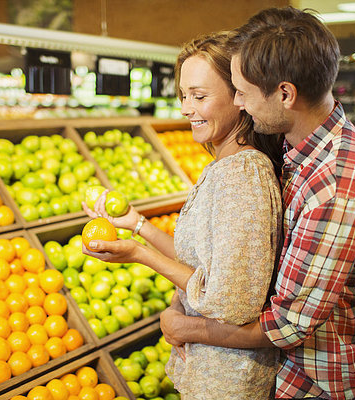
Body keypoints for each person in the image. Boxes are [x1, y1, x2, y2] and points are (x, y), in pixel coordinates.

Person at [159, 7, 355, 400]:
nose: (238, 102)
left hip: (318, 382)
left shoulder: (337, 189)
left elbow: (288, 324)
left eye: (243, 92)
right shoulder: (297, 144)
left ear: (285, 94)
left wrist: (187, 327)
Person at [82, 30, 284, 399]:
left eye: (199, 96)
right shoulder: (225, 165)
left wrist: (140, 255)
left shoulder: (241, 175)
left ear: (238, 96)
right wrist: (136, 224)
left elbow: (229, 301)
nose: (185, 108)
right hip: (213, 372)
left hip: (228, 381)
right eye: (183, 95)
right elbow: (203, 262)